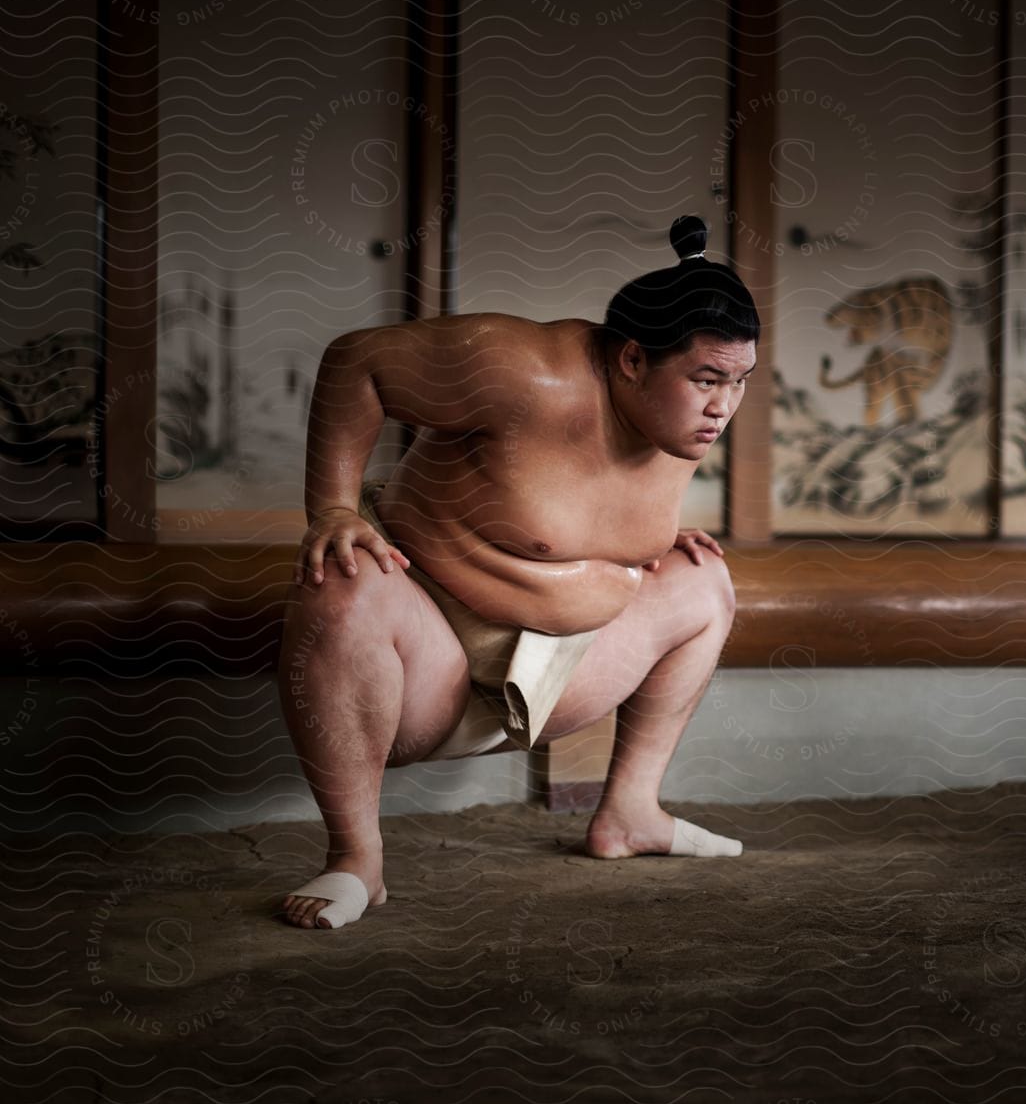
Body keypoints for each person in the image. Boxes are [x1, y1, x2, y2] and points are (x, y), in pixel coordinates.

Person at [279, 216, 757, 929]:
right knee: (344, 578)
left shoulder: (682, 417)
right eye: (707, 379)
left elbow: (577, 508)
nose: (724, 405)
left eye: (740, 381)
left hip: (556, 681)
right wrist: (331, 510)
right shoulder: (522, 369)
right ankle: (357, 859)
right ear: (632, 360)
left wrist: (644, 540)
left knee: (704, 578)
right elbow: (359, 362)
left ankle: (630, 812)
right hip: (425, 670)